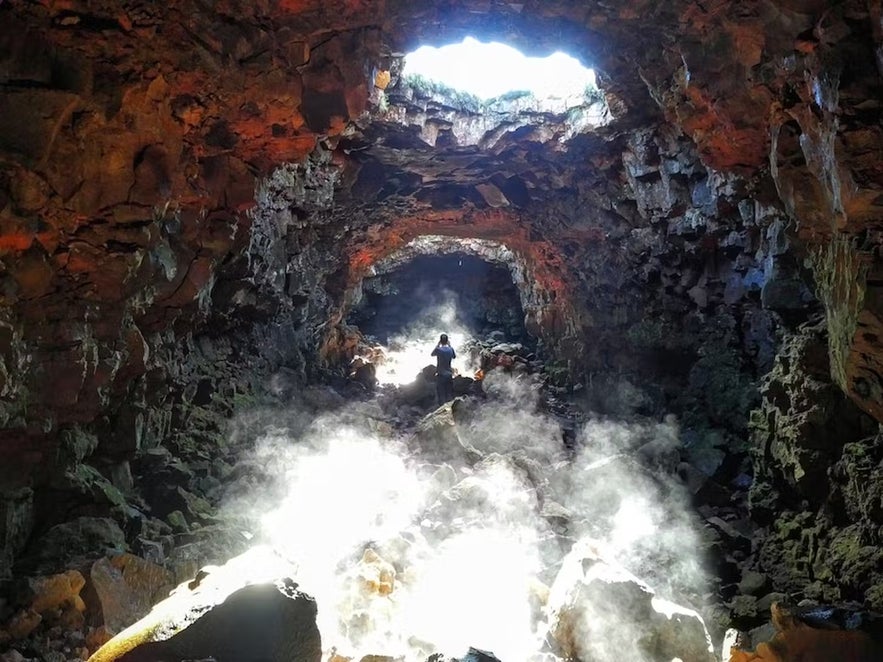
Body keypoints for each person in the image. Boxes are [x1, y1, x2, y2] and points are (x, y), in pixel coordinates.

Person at [431, 333, 456, 405]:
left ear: (440, 341)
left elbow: (432, 354)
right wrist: (450, 345)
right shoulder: (451, 349)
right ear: (447, 341)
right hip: (449, 374)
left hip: (441, 374)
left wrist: (438, 345)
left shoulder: (438, 350)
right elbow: (454, 356)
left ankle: (441, 410)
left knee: (441, 394)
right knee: (449, 393)